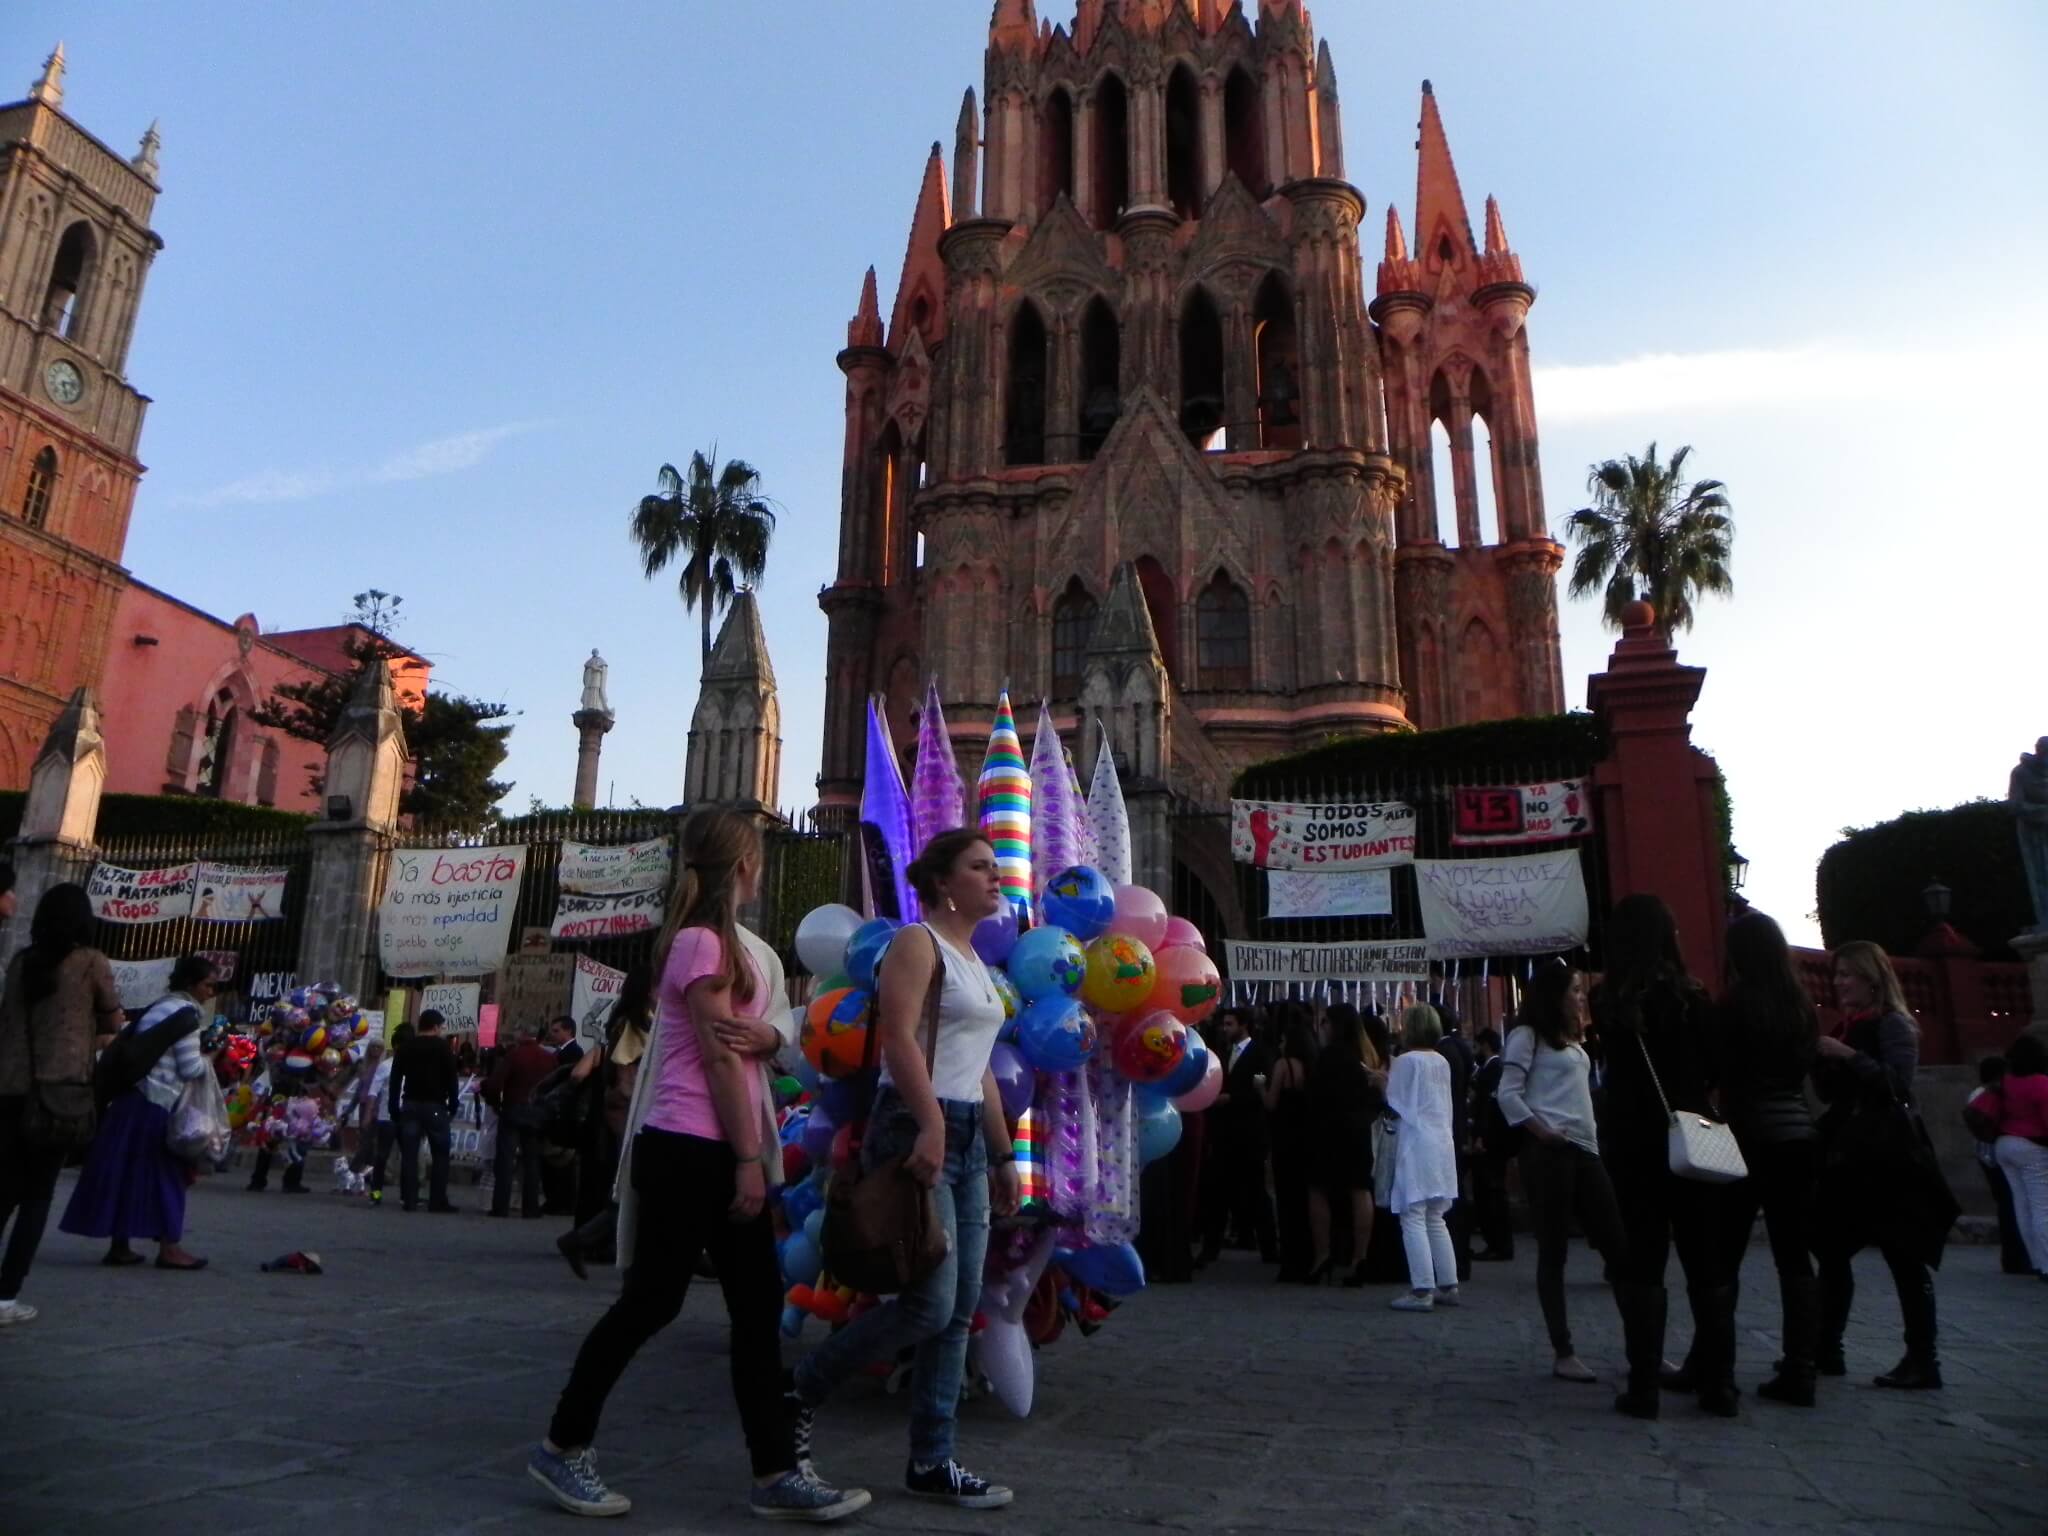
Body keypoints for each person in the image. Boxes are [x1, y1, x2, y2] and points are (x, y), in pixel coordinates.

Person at [532, 808, 867, 1522]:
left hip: (714, 1144)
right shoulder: (697, 943)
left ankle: (775, 1471)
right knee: (651, 1303)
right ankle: (563, 1446)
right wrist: (749, 1159)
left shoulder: (728, 947)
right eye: (759, 858)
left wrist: (768, 1035)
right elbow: (717, 1056)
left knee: (753, 1311)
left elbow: (762, 1032)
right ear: (745, 865)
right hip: (690, 1143)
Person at [789, 829, 1018, 1512]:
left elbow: (979, 1069)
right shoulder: (919, 944)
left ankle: (932, 1457)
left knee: (959, 1308)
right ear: (945, 882)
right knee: (930, 1301)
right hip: (918, 1125)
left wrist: (1004, 1154)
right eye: (981, 867)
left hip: (968, 1133)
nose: (995, 875)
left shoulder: (976, 961)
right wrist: (930, 1124)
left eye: (995, 866)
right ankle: (799, 1390)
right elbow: (897, 1040)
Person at [1596, 893, 1732, 1420]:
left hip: (1635, 1144)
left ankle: (1644, 1386)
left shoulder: (1612, 1003)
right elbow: (1715, 1072)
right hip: (1694, 1137)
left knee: (1643, 1265)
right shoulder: (1695, 999)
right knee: (1707, 1263)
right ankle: (1720, 1386)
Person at [1813, 940, 1958, 1391]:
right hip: (1851, 1155)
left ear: (1873, 979)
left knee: (1905, 1259)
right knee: (1832, 1251)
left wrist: (1847, 1056)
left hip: (1889, 1158)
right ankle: (1827, 1349)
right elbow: (1832, 1094)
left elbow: (1897, 1086)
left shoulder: (1893, 1024)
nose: (1839, 983)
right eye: (1836, 975)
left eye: (1847, 975)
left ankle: (1923, 1358)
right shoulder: (1847, 1025)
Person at [1707, 912, 1823, 1406]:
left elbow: (1718, 1070)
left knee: (1723, 1259)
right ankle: (1802, 1369)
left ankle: (1720, 1376)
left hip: (1746, 1134)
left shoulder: (1733, 1005)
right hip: (1797, 1134)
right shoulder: (1800, 1007)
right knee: (1795, 1258)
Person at [0, 880, 125, 1323]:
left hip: (10, 1091)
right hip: (59, 1094)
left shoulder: (19, 963)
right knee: (37, 1196)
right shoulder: (90, 962)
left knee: (3, 1194)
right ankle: (6, 1296)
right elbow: (113, 1019)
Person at [1499, 961, 1625, 1383]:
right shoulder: (1526, 1037)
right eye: (1574, 989)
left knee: (1618, 1247)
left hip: (1586, 1150)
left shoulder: (1573, 1040)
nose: (1581, 995)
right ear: (1554, 995)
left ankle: (1643, 1345)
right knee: (1554, 1252)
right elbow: (1508, 1095)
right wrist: (1542, 1131)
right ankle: (1563, 1350)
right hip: (1550, 1152)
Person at [61, 954, 219, 1271]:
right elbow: (189, 1068)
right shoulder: (187, 1017)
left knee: (123, 1172)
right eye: (208, 985)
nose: (211, 992)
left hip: (130, 1099)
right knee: (168, 1176)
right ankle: (169, 1247)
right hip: (156, 1104)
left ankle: (120, 1245)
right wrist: (212, 1057)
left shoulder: (159, 1007)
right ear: (192, 984)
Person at [556, 965, 656, 1279]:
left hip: (637, 1112)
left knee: (637, 1189)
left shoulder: (647, 1020)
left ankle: (586, 1242)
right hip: (632, 1115)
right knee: (635, 1188)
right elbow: (624, 1071)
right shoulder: (633, 1023)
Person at [1385, 1004, 1460, 1311]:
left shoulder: (1406, 1061)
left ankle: (1421, 1289)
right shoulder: (1441, 1061)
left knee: (1413, 1214)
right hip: (1441, 1140)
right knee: (1435, 1216)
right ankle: (1448, 1282)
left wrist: (1381, 1081)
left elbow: (1397, 1100)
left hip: (1416, 1141)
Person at [1305, 1002, 1384, 1288]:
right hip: (1358, 1129)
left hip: (1328, 1129)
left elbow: (1314, 1094)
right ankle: (1359, 1257)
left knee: (1318, 1189)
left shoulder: (1329, 1056)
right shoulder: (1366, 1055)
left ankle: (1323, 1254)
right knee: (1360, 1190)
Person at [1200, 1008, 1277, 1267]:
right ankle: (1210, 1247)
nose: (1225, 1029)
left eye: (1230, 1024)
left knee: (1256, 1190)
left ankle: (1268, 1246)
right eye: (1224, 1024)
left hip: (1250, 1133)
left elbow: (1260, 1087)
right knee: (1217, 1192)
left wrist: (1233, 1098)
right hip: (1225, 1134)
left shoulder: (1259, 1053)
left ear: (1244, 1025)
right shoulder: (1222, 1052)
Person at [1984, 1033, 2048, 1281]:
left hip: (2004, 1143)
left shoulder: (2006, 1082)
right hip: (2032, 1146)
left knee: (2021, 1204)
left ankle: (2036, 1260)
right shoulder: (2041, 1083)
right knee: (2042, 1206)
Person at [1261, 1002, 1318, 1283]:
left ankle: (1290, 1260)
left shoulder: (1284, 1065)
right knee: (1304, 1198)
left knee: (1285, 1199)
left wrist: (1260, 1086)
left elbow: (1271, 1102)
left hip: (1285, 1137)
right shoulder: (1311, 1065)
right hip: (1306, 1136)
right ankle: (1309, 1255)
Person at [1965, 1057, 2035, 1275]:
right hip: (1998, 1154)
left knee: (2007, 1205)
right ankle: (2019, 1256)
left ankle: (2013, 1257)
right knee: (2014, 1205)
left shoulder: (1976, 1094)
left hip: (1987, 1156)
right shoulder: (1993, 1094)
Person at [391, 1009, 461, 1213]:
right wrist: (453, 1103)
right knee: (440, 1154)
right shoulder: (443, 1048)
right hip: (435, 1106)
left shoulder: (406, 1047)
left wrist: (394, 1106)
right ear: (436, 1026)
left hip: (410, 1104)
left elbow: (396, 1079)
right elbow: (452, 1078)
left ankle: (409, 1199)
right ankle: (437, 1200)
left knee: (410, 1154)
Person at [485, 1023, 557, 1219]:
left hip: (513, 1109)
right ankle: (531, 1207)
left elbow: (495, 1083)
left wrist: (495, 1104)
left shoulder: (514, 1055)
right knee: (532, 1161)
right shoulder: (549, 1058)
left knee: (506, 1160)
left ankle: (500, 1206)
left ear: (523, 1034)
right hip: (536, 1112)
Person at [1469, 1026, 1516, 1262]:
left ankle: (1499, 1243)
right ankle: (1497, 1242)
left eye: (1477, 1046)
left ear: (1486, 1045)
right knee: (1490, 1191)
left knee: (1491, 1192)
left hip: (1491, 1140)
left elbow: (1489, 1107)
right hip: (1492, 1139)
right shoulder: (1492, 1069)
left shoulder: (1494, 1069)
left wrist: (1480, 1136)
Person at [357, 1026, 408, 1205]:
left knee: (408, 1157)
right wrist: (367, 1115)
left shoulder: (414, 1067)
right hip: (387, 1117)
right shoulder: (385, 1066)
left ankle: (406, 1196)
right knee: (382, 1156)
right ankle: (376, 1192)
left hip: (407, 1117)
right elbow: (373, 1091)